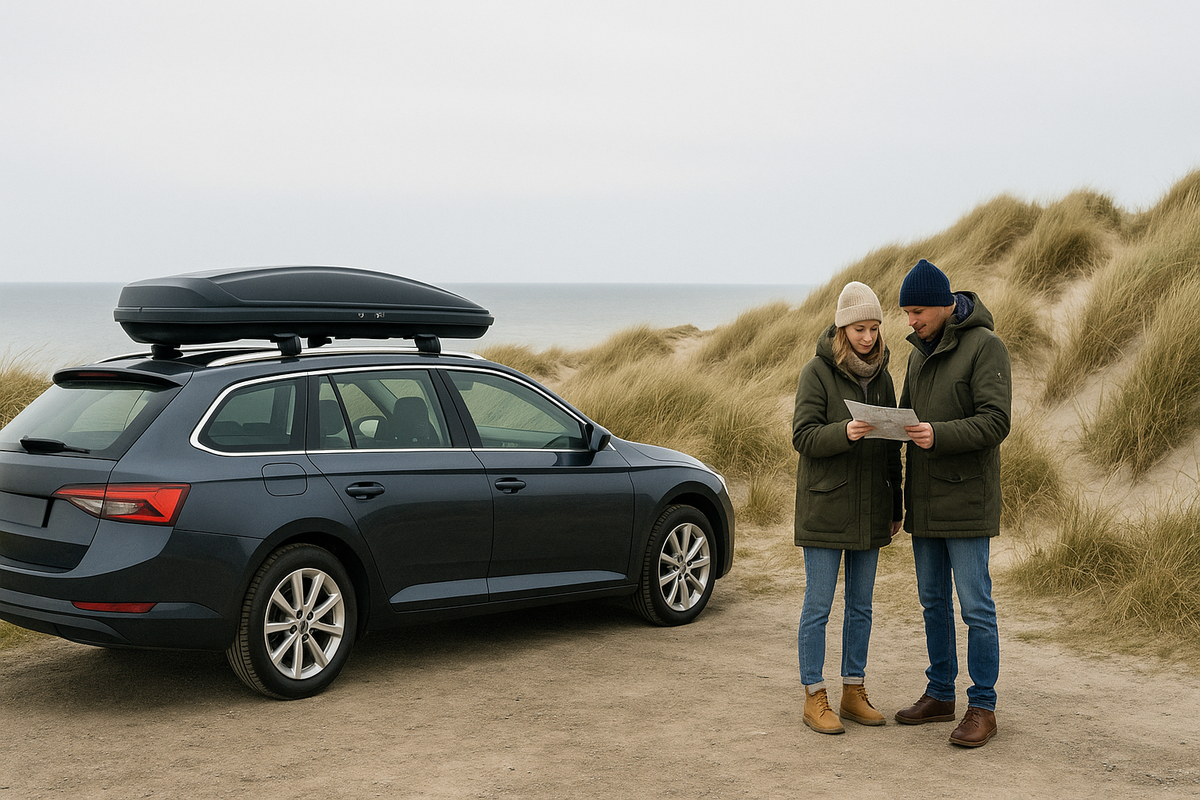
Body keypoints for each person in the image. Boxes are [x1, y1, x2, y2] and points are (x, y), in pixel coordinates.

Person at [894, 258, 1011, 748]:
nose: (911, 321)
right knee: (932, 603)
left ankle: (982, 705)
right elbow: (906, 418)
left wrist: (936, 435)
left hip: (967, 501)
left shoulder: (987, 347)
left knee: (975, 607)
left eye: (917, 310)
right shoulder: (917, 353)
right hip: (924, 501)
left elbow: (996, 422)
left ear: (944, 306)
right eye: (906, 313)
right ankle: (941, 692)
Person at [792, 281, 904, 735]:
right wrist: (846, 432)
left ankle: (853, 691)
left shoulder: (885, 376)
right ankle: (814, 695)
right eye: (860, 328)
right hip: (825, 509)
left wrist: (895, 505)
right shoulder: (815, 373)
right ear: (842, 329)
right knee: (818, 606)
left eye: (874, 328)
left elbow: (894, 445)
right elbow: (803, 437)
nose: (868, 338)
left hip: (872, 509)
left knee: (861, 607)